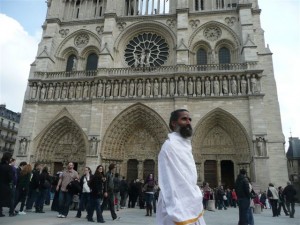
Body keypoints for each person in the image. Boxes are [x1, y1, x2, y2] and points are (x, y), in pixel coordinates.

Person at [157, 109, 206, 225]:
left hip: (190, 200)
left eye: (189, 119)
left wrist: (194, 193)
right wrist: (177, 204)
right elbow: (170, 180)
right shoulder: (169, 146)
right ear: (173, 123)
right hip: (176, 202)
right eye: (184, 119)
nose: (188, 122)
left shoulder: (185, 145)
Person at [0, 152, 14, 217]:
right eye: (10, 158)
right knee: (11, 198)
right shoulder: (9, 167)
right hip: (5, 186)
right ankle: (11, 212)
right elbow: (10, 178)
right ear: (8, 159)